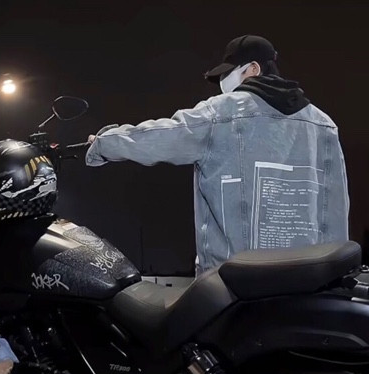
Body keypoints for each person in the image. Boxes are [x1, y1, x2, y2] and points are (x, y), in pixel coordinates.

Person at [85, 35, 349, 274]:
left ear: (254, 68)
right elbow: (336, 209)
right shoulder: (323, 124)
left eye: (229, 73)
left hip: (233, 285)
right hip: (304, 283)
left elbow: (162, 136)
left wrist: (104, 143)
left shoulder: (222, 113)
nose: (223, 82)